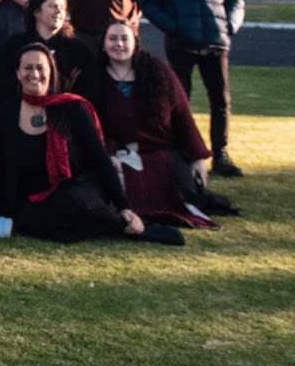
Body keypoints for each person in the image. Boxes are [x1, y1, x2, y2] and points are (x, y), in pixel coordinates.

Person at [0, 43, 180, 245]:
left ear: (51, 72)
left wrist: (123, 205)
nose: (34, 74)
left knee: (72, 202)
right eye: (28, 68)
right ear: (18, 72)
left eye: (40, 68)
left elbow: (99, 158)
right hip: (31, 197)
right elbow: (0, 161)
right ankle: (99, 224)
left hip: (73, 188)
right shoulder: (5, 113)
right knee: (29, 211)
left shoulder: (72, 108)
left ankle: (120, 222)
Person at [90, 20, 227, 228]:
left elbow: (182, 114)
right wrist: (103, 154)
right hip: (115, 151)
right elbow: (86, 122)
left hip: (159, 148)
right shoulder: (92, 76)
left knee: (187, 192)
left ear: (135, 42)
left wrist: (197, 157)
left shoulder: (157, 70)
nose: (119, 44)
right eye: (113, 38)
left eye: (124, 39)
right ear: (103, 43)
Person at [139, 0, 245, 177]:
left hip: (215, 43)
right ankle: (182, 151)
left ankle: (220, 154)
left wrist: (229, 26)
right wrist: (174, 28)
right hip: (180, 44)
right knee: (178, 99)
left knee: (220, 101)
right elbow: (149, 1)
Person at [0, 0, 94, 105]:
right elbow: (1, 85)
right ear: (36, 12)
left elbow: (88, 88)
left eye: (62, 7)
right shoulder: (14, 46)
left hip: (65, 114)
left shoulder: (78, 50)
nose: (59, 11)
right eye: (52, 6)